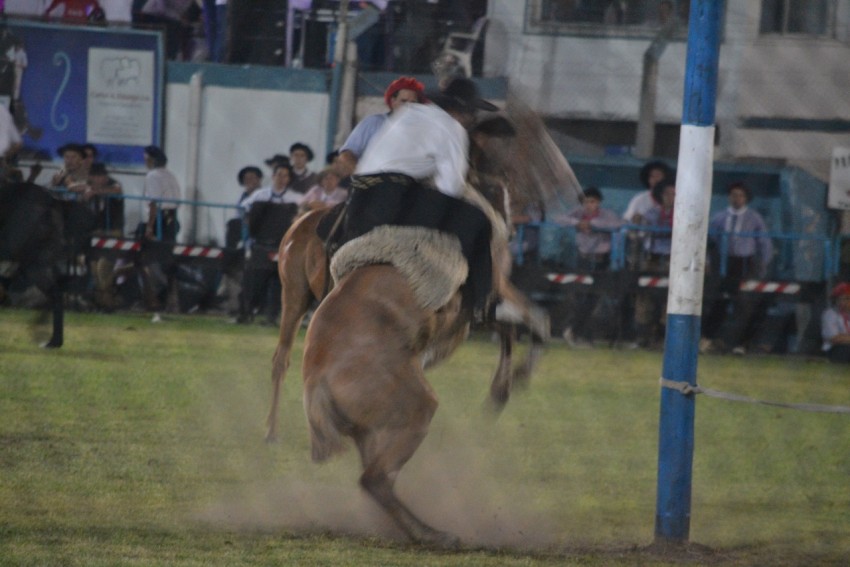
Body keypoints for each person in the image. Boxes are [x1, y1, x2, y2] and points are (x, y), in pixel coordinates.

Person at [341, 76, 498, 309]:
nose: (471, 119)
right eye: (472, 113)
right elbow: (450, 187)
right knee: (479, 221)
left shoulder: (406, 114)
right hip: (394, 201)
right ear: (463, 111)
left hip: (359, 199)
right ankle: (480, 304)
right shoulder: (453, 128)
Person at [702, 182, 774, 355]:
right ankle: (707, 340)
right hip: (723, 263)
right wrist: (706, 261)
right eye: (733, 194)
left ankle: (740, 343)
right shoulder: (719, 217)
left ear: (746, 198)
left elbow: (764, 243)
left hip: (745, 264)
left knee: (744, 304)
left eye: (740, 195)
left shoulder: (754, 218)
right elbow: (708, 242)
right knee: (718, 302)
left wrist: (763, 264)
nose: (737, 198)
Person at [551, 186, 623, 346]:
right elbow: (558, 219)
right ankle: (574, 331)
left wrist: (592, 224)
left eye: (592, 202)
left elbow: (618, 224)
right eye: (586, 202)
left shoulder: (607, 215)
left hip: (601, 261)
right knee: (580, 297)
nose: (589, 205)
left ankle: (578, 332)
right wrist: (578, 223)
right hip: (583, 259)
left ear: (599, 203)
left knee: (594, 298)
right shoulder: (577, 213)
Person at [334, 76, 426, 178]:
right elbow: (346, 154)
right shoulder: (373, 123)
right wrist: (362, 175)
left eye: (413, 102)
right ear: (393, 101)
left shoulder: (423, 130)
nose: (409, 106)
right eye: (403, 101)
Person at [633, 178, 675, 348]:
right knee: (644, 297)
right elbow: (642, 229)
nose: (670, 197)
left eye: (674, 194)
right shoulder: (652, 212)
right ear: (661, 195)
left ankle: (663, 339)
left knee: (670, 300)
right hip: (652, 259)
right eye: (667, 194)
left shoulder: (682, 214)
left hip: (673, 260)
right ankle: (642, 338)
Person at [141, 145, 181, 242]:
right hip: (173, 218)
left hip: (160, 220)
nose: (145, 163)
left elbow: (153, 203)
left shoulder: (152, 176)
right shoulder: (170, 175)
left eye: (146, 159)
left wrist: (149, 227)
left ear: (152, 160)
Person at [821, 282, 850, 363]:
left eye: (847, 298)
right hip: (836, 349)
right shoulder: (830, 314)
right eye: (840, 299)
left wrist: (845, 337)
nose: (844, 302)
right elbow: (835, 338)